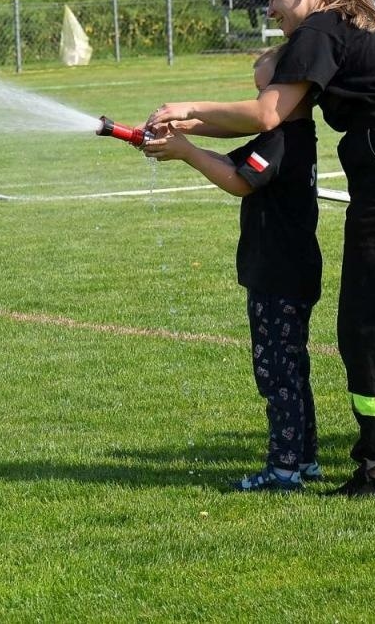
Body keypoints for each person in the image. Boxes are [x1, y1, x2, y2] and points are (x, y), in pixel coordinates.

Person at [148, 0, 375, 497]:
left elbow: (267, 113)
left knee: (366, 328)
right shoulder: (365, 25)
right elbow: (273, 116)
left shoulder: (320, 29)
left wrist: (180, 108)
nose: (269, 8)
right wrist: (190, 127)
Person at [144, 47, 322, 492]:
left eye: (264, 91)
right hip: (287, 272)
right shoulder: (285, 136)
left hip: (278, 275)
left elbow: (240, 182)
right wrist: (184, 138)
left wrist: (187, 152)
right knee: (292, 371)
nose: (257, 101)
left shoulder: (281, 140)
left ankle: (284, 470)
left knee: (277, 375)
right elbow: (232, 162)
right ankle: (304, 459)